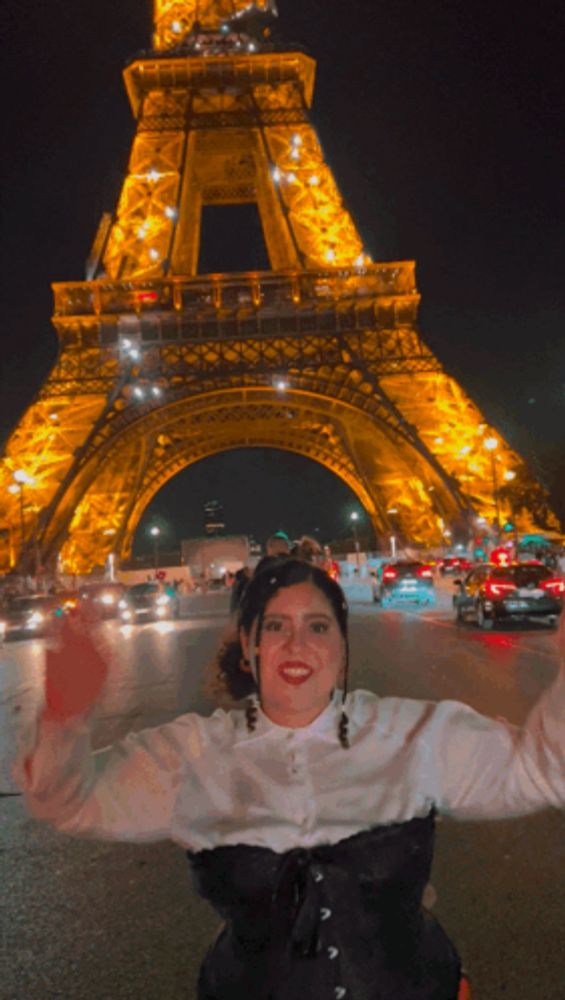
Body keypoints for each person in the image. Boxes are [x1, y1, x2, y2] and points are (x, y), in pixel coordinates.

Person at [15, 558, 565, 999]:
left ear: (342, 648)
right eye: (276, 627)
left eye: (318, 626)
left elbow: (542, 769)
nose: (297, 644)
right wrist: (63, 718)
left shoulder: (415, 734)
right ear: (249, 651)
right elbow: (71, 801)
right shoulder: (191, 756)